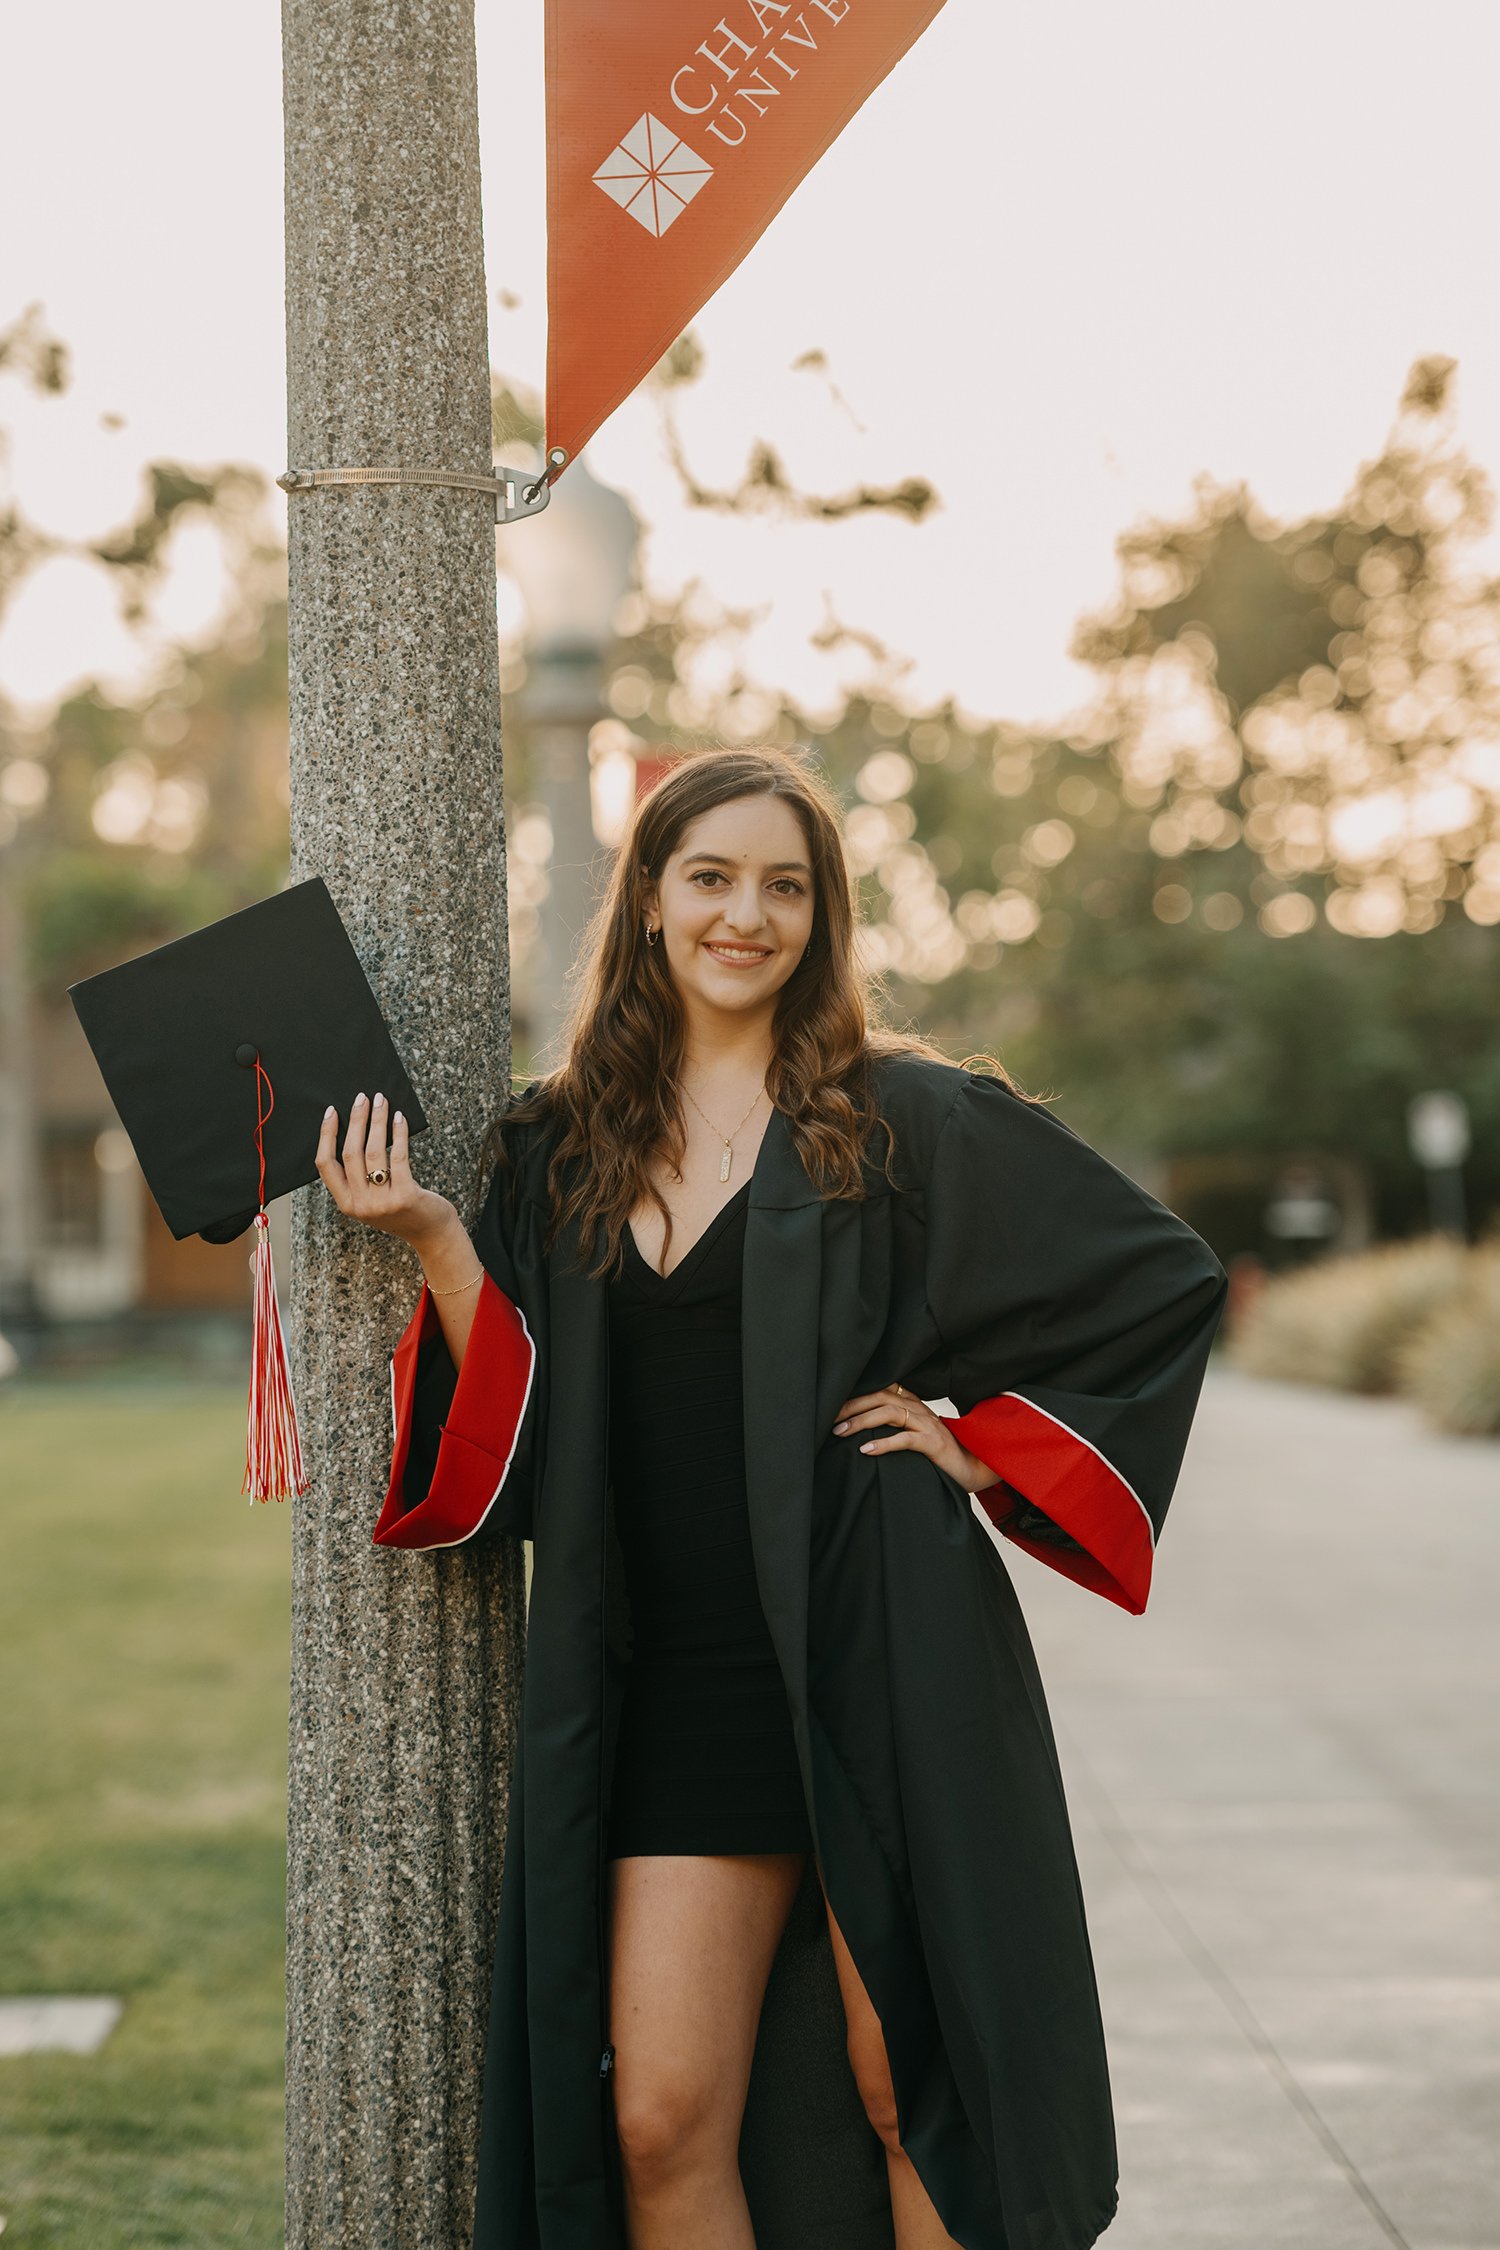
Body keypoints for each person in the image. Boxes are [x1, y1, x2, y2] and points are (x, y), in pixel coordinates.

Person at [314, 743, 1227, 2250]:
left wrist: (978, 1445)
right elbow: (536, 1441)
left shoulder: (899, 1118)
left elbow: (1156, 1280)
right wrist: (436, 1242)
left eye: (785, 886)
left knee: (911, 2080)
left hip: (878, 1644)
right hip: (673, 1680)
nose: (749, 914)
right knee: (661, 2112)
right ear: (653, 902)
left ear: (823, 915)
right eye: (714, 877)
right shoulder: (554, 1150)